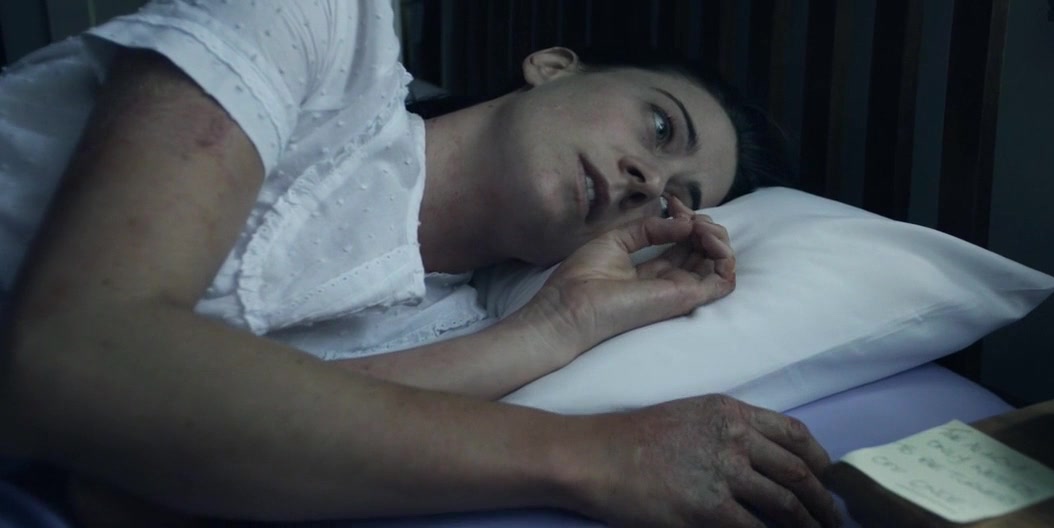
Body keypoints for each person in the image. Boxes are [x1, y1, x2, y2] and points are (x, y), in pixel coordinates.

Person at [0, 1, 840, 527]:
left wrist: (562, 324)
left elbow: (129, 486)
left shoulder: (457, 331)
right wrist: (598, 457)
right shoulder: (317, 27)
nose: (649, 182)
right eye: (659, 128)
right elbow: (72, 359)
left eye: (674, 201)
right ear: (553, 67)